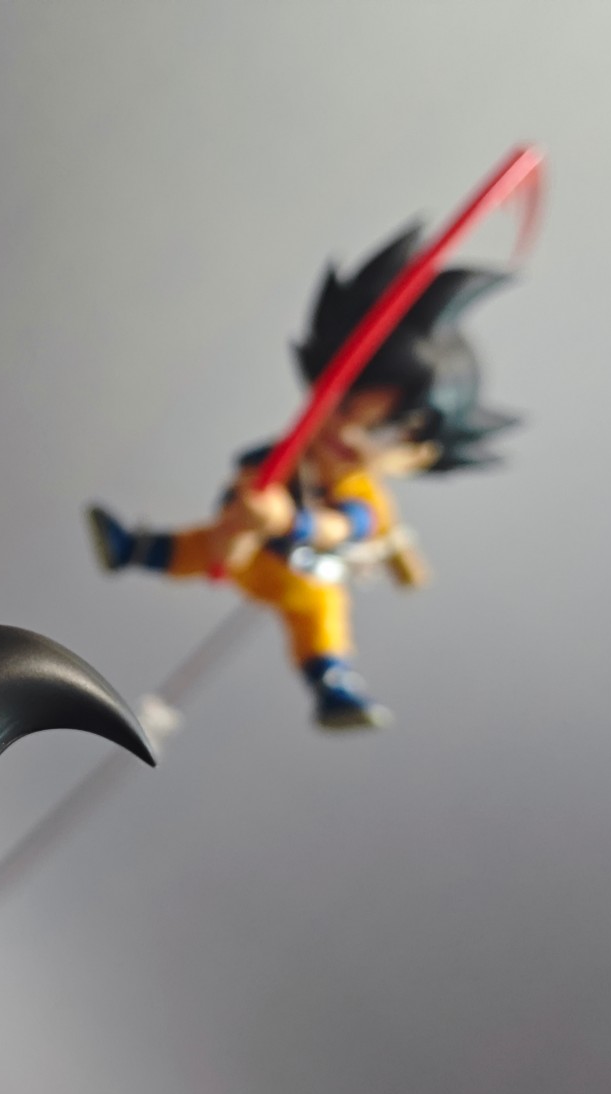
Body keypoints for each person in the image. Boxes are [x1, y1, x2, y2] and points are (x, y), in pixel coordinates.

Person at [89, 225, 518, 729]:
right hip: (248, 554)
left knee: (320, 625)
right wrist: (246, 507)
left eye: (382, 429)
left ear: (418, 454)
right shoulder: (289, 456)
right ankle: (133, 549)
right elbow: (244, 481)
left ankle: (334, 688)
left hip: (305, 580)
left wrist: (291, 522)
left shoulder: (363, 495)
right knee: (194, 547)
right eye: (347, 404)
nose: (350, 432)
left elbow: (346, 525)